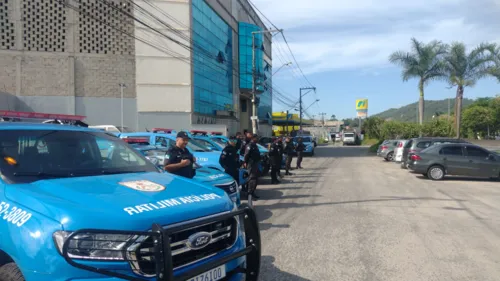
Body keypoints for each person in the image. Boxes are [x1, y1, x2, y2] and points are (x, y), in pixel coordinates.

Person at [244, 133, 261, 199]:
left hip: (255, 163)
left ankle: (252, 192)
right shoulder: (249, 145)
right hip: (251, 164)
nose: (257, 139)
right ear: (253, 138)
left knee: (255, 179)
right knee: (252, 179)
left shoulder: (255, 145)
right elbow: (246, 155)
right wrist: (245, 162)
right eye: (256, 138)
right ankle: (249, 194)